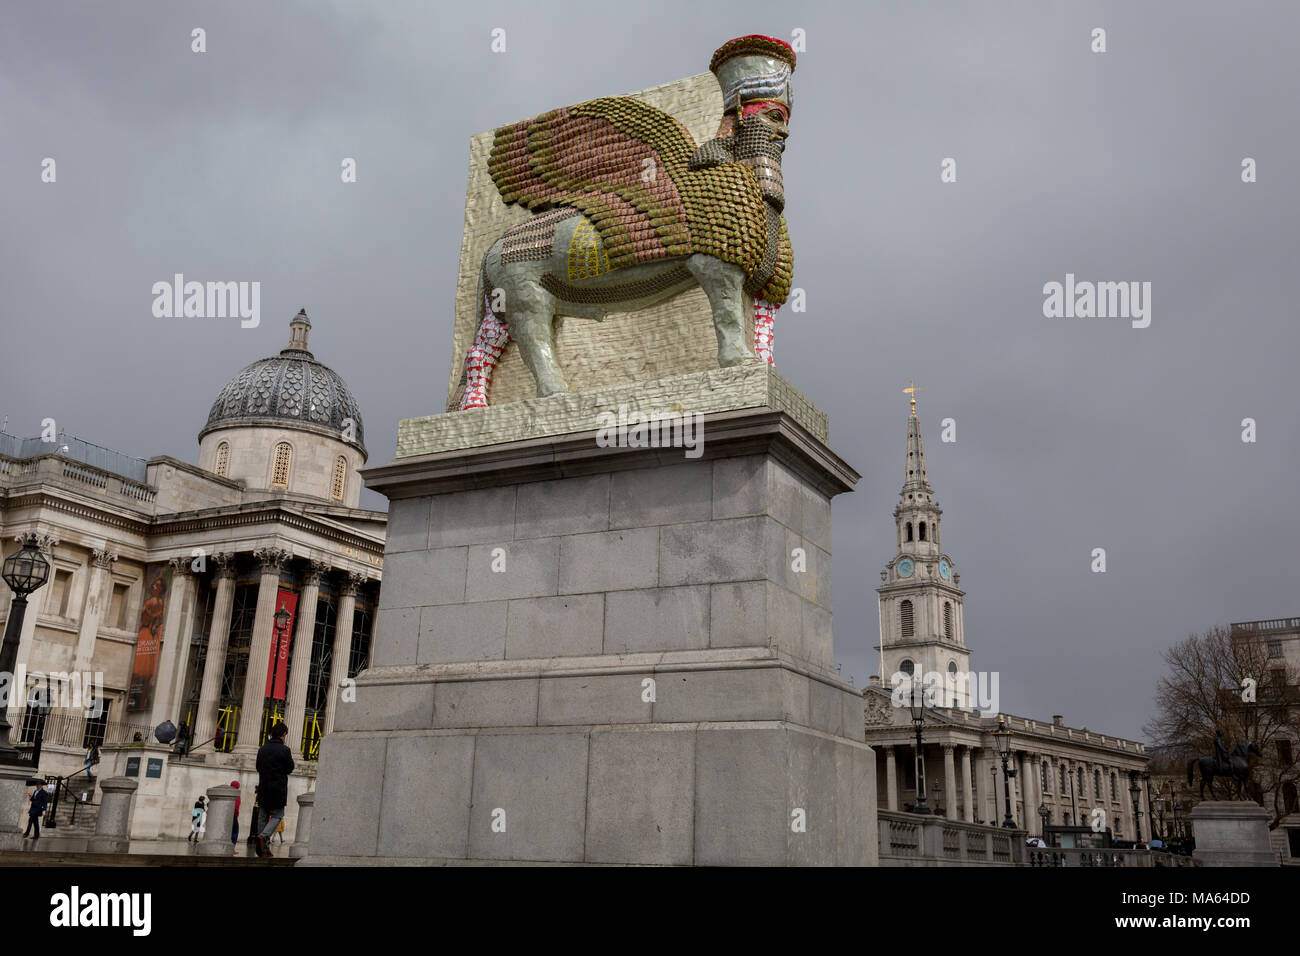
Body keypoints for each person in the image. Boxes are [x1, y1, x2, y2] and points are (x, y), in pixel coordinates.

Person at [254, 721, 295, 858]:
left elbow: (258, 767)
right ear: (283, 734)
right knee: (277, 815)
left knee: (263, 816)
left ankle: (263, 849)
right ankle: (263, 836)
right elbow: (290, 768)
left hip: (263, 786)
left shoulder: (262, 749)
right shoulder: (285, 750)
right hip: (278, 788)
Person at [230, 779, 241, 852]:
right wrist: (236, 814)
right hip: (233, 816)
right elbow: (236, 807)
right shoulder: (236, 795)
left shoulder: (228, 792)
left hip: (226, 816)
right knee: (235, 832)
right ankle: (232, 848)